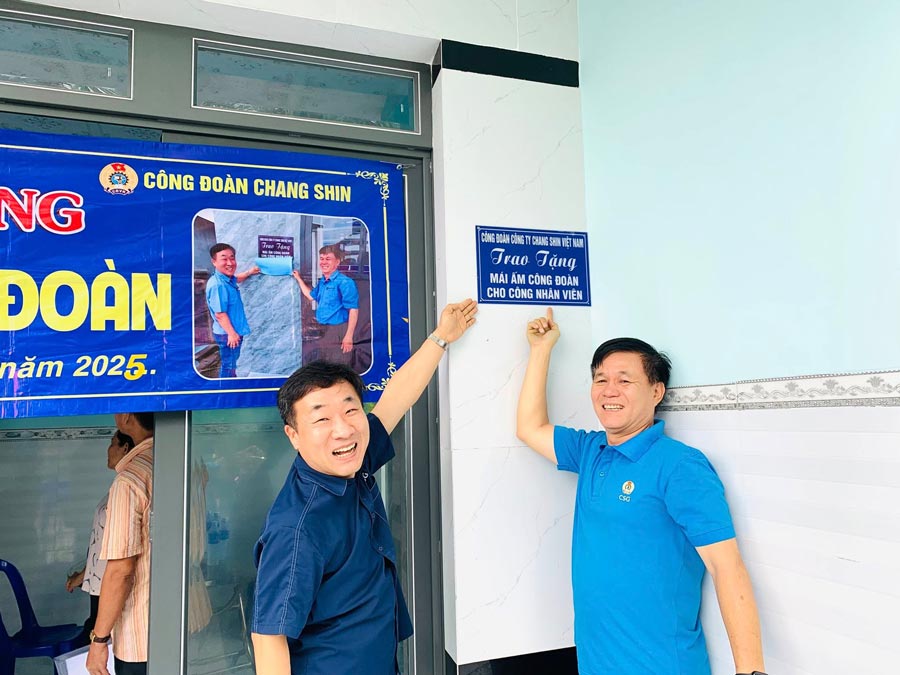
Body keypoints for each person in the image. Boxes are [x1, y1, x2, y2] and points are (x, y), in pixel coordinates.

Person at [516, 308, 766, 675]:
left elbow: (726, 567)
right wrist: (541, 349)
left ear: (656, 391)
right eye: (600, 380)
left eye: (624, 380)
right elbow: (529, 427)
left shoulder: (680, 466)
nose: (609, 390)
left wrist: (751, 672)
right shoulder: (590, 451)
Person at [251, 299, 478, 675]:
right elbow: (269, 636)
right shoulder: (297, 529)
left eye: (350, 409)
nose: (343, 429)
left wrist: (441, 337)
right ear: (293, 435)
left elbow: (393, 402)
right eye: (321, 418)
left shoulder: (349, 460)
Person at [86, 413, 154, 675]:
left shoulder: (131, 480)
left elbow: (121, 570)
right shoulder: (189, 459)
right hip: (191, 619)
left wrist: (99, 640)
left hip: (142, 634)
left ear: (126, 417)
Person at [66, 430, 135, 642]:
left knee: (96, 638)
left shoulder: (128, 486)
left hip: (109, 585)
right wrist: (85, 574)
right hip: (100, 582)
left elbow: (120, 554)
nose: (108, 449)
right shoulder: (119, 486)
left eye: (112, 443)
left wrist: (99, 639)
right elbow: (105, 544)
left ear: (125, 448)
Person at [291, 244, 359, 366]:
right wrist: (298, 279)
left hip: (338, 330)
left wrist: (348, 336)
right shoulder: (323, 281)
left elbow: (353, 310)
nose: (323, 262)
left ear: (337, 262)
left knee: (338, 366)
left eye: (328, 259)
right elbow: (311, 296)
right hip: (323, 331)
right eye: (321, 258)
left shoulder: (345, 282)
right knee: (325, 365)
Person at [206, 242, 260, 377]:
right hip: (228, 335)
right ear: (214, 262)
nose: (230, 263)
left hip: (231, 333)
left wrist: (250, 272)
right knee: (229, 366)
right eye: (224, 259)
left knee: (231, 364)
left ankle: (229, 386)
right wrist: (232, 334)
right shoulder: (218, 285)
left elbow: (237, 279)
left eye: (232, 258)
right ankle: (226, 392)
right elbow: (220, 314)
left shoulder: (227, 280)